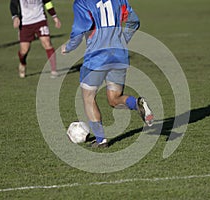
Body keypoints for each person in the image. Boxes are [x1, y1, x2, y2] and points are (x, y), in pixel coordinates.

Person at [62, 0, 154, 148]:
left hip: (96, 57)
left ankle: (101, 140)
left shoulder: (82, 2)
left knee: (88, 97)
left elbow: (79, 30)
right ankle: (137, 104)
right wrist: (122, 40)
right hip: (118, 55)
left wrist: (68, 47)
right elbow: (134, 21)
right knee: (114, 99)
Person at [10, 0, 61, 78]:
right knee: (24, 50)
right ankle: (22, 63)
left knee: (47, 43)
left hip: (40, 20)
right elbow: (13, 4)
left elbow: (47, 3)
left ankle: (54, 70)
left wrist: (54, 17)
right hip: (25, 23)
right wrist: (15, 17)